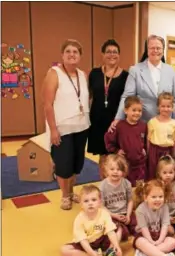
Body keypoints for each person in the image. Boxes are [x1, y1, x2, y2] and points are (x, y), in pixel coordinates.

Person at [43, 39, 90, 210]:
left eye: (75, 52)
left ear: (80, 56)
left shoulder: (83, 75)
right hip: (62, 129)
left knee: (76, 164)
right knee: (63, 164)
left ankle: (71, 192)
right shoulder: (54, 73)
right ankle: (64, 196)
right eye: (68, 51)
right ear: (62, 55)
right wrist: (53, 130)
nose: (72, 54)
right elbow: (47, 104)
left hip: (82, 126)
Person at [110, 35, 175, 130]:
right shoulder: (135, 70)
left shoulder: (171, 71)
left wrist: (173, 120)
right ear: (147, 50)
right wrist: (118, 118)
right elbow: (127, 96)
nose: (155, 50)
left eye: (158, 48)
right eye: (152, 48)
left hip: (165, 124)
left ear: (163, 50)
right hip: (142, 123)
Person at [87, 39, 128, 178]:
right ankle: (105, 187)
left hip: (116, 121)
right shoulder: (94, 73)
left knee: (118, 156)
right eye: (108, 52)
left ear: (119, 55)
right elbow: (90, 96)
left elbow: (127, 100)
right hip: (98, 120)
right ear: (103, 54)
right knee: (103, 157)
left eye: (115, 52)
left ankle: (118, 188)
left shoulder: (126, 76)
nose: (112, 55)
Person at [60, 185, 122, 256]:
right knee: (64, 250)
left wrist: (116, 245)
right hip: (87, 243)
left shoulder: (104, 213)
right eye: (86, 201)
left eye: (94, 200)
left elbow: (110, 231)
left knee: (119, 229)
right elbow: (82, 240)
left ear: (99, 202)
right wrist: (91, 254)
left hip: (102, 239)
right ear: (81, 204)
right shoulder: (79, 219)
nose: (90, 203)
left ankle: (110, 250)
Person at [132, 180, 175, 256]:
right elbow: (144, 228)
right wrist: (151, 241)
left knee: (173, 242)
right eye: (154, 197)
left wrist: (159, 240)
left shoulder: (165, 207)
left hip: (159, 235)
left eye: (160, 196)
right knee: (140, 242)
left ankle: (145, 254)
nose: (158, 199)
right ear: (146, 197)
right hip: (144, 235)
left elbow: (165, 225)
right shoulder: (140, 210)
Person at [104, 96, 147, 187]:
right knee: (125, 187)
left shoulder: (143, 126)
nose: (137, 113)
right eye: (134, 110)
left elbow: (147, 141)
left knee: (139, 188)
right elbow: (108, 139)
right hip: (124, 165)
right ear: (126, 110)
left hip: (140, 166)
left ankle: (138, 200)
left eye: (139, 111)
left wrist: (144, 149)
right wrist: (116, 150)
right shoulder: (119, 126)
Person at [99, 154, 136, 243]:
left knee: (139, 225)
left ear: (123, 172)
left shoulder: (126, 183)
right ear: (106, 170)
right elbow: (101, 207)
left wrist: (128, 215)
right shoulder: (102, 186)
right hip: (112, 215)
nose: (115, 172)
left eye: (118, 169)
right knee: (120, 230)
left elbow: (130, 201)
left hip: (126, 212)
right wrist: (114, 215)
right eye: (112, 169)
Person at [146, 92, 175, 180]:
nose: (166, 109)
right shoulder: (152, 122)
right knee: (154, 172)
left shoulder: (174, 123)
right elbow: (148, 139)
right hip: (154, 151)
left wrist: (173, 154)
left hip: (167, 151)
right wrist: (149, 154)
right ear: (158, 107)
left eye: (168, 106)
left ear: (172, 108)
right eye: (163, 106)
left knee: (167, 173)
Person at [156, 155, 175, 235]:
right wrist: (166, 218)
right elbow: (156, 207)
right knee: (169, 230)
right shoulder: (158, 187)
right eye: (164, 173)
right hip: (162, 218)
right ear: (159, 173)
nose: (168, 175)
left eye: (171, 172)